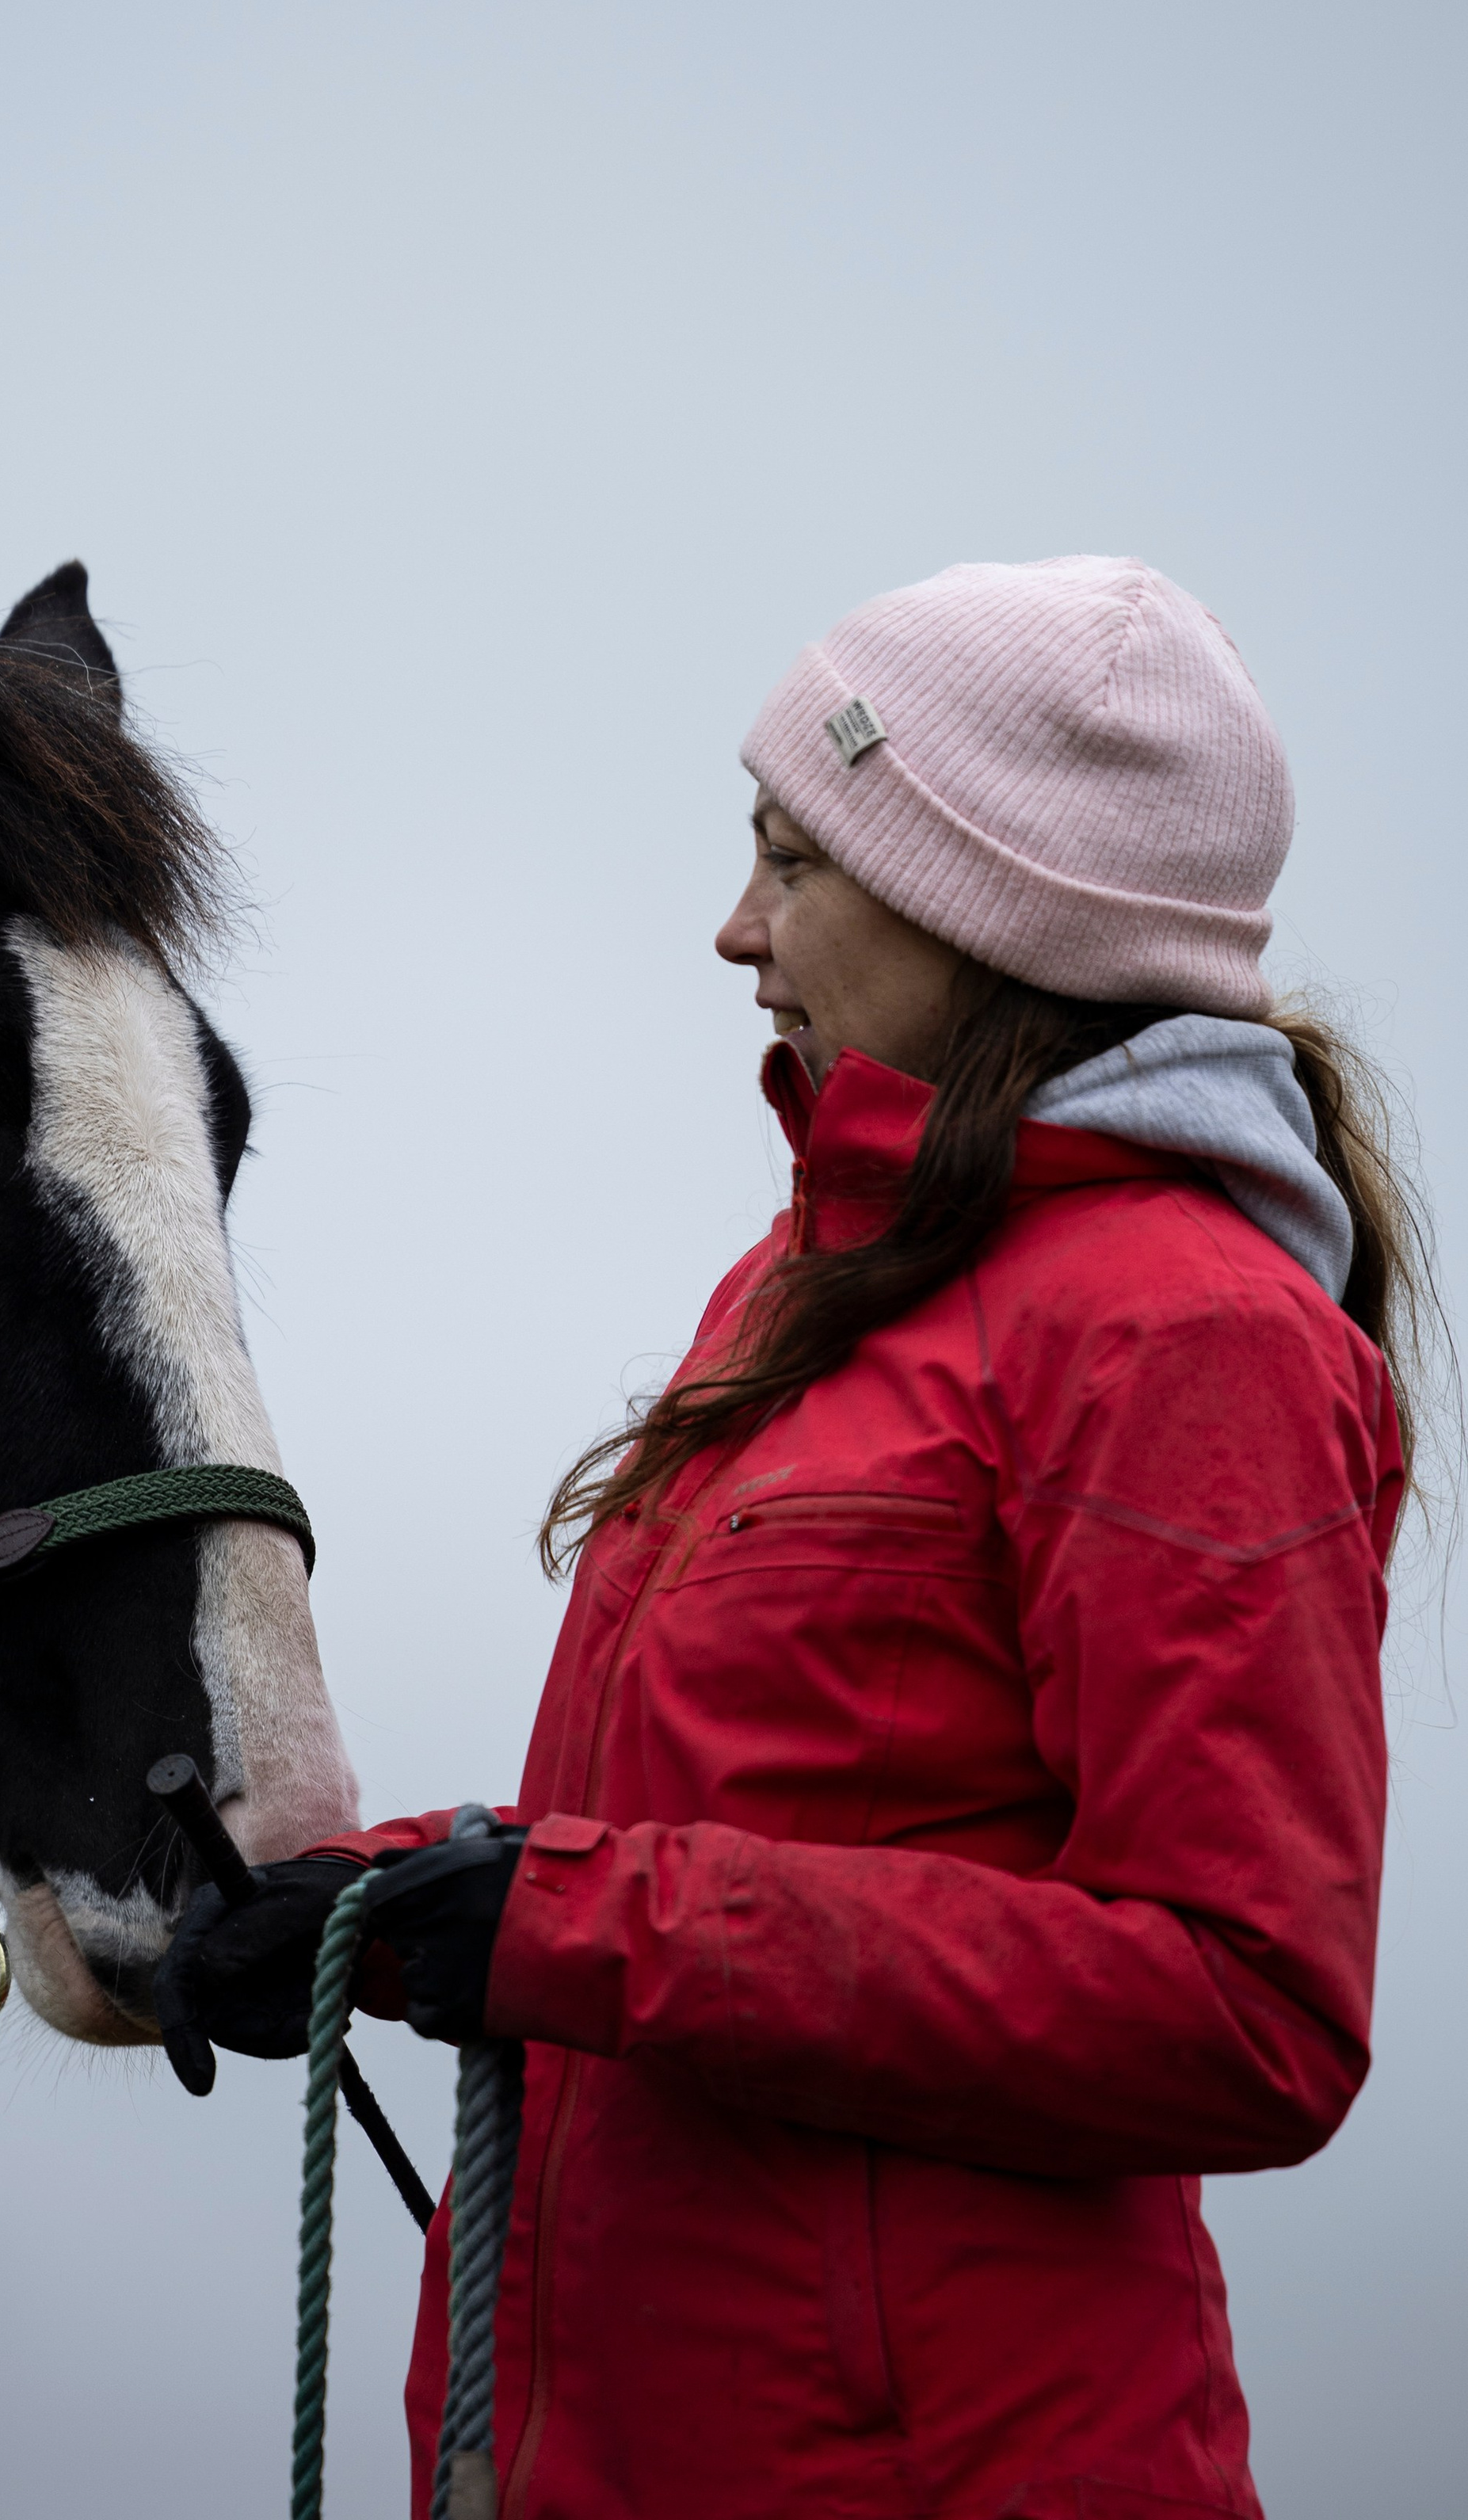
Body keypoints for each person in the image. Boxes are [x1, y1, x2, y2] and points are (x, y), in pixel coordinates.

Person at [158, 555, 1430, 2520]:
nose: (733, 928)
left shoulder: (1186, 1334)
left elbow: (1241, 2006)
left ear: (983, 907)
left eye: (792, 857)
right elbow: (722, 1831)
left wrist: (561, 1923)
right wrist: (373, 1901)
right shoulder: (812, 1280)